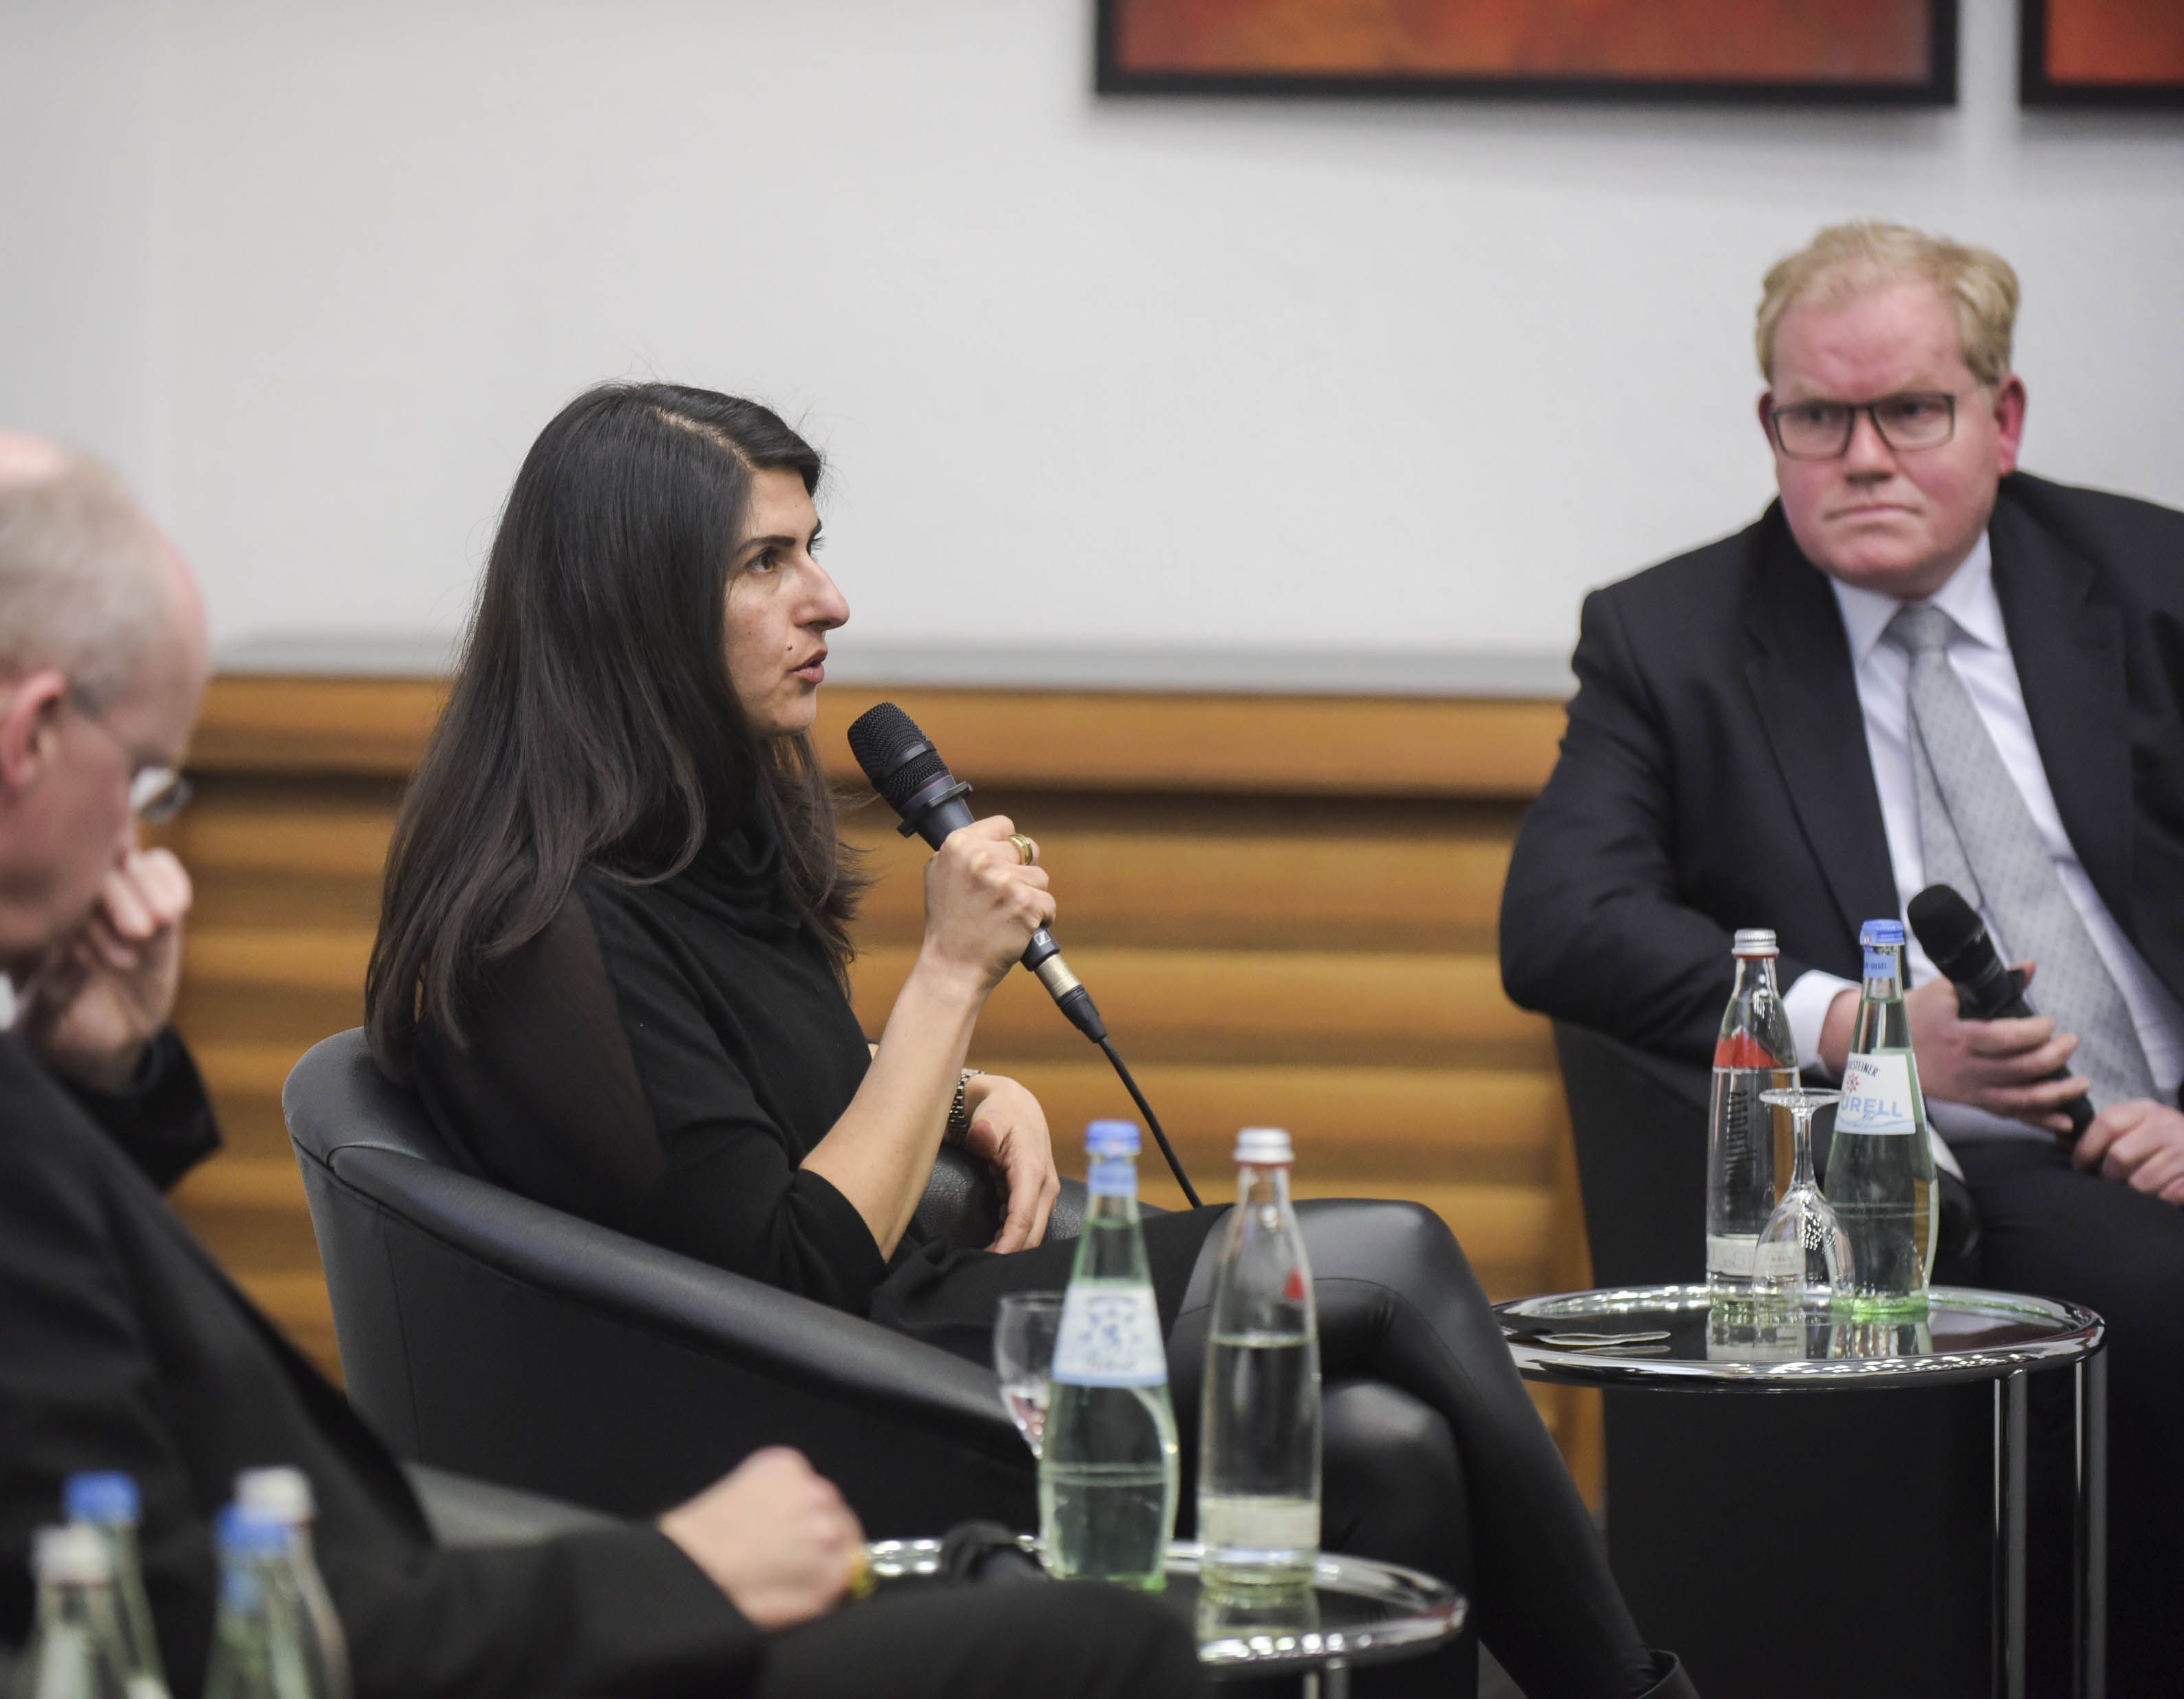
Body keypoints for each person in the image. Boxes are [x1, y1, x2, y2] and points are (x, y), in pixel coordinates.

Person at [0, 432, 1203, 1699]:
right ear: (29, 735)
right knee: (1102, 1651)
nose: (138, 841)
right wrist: (675, 1574)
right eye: (151, 780)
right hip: (390, 1651)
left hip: (380, 1593)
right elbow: (166, 1625)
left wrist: (80, 1090)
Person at [367, 382, 1696, 1699]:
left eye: (813, 548)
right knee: (1392, 1258)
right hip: (814, 1393)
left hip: (884, 1319)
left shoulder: (682, 833)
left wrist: (948, 1093)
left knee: (1383, 1445)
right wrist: (949, 978)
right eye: (765, 562)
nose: (828, 600)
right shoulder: (538, 926)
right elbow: (782, 1269)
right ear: (631, 603)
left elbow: (725, 1115)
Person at [1500, 221, 2184, 1687]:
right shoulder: (1673, 639)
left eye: (1910, 411)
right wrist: (1858, 1030)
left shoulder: (2152, 581)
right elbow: (1559, 918)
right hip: (1948, 1178)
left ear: (2002, 418)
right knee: (2154, 1290)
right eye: (1819, 418)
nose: (1863, 457)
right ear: (1773, 427)